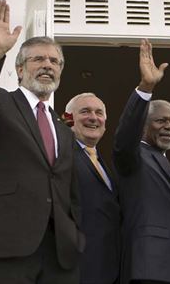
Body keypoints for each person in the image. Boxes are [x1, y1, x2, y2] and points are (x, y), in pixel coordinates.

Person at [0, 0, 84, 284]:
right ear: (21, 69)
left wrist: (76, 235)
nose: (47, 65)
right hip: (4, 246)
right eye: (38, 59)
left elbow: (71, 191)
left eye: (54, 61)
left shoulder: (63, 127)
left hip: (59, 255)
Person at [113, 39, 170, 284]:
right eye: (161, 121)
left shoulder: (167, 165)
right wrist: (145, 88)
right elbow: (123, 138)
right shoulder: (134, 155)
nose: (169, 126)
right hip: (149, 270)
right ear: (144, 126)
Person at [65, 93, 121, 284]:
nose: (93, 117)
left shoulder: (104, 164)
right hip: (77, 268)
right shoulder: (61, 155)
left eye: (99, 113)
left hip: (110, 269)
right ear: (69, 118)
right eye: (85, 111)